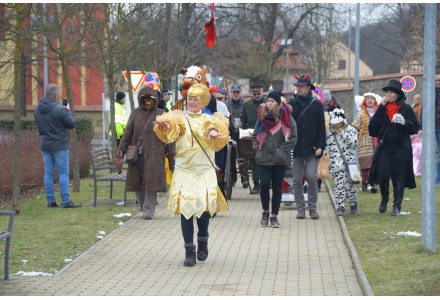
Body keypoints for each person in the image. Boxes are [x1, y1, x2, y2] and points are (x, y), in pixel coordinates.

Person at [153, 83, 230, 267]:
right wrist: (165, 126)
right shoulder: (180, 119)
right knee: (186, 212)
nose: (192, 102)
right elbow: (172, 132)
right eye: (190, 99)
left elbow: (216, 131)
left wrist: (213, 132)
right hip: (184, 172)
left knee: (203, 211)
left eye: (196, 99)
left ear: (203, 101)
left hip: (204, 172)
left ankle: (203, 238)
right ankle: (189, 250)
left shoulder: (209, 119)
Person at [117, 86, 175, 220]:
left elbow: (169, 136)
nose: (148, 102)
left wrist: (171, 155)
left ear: (155, 100)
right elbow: (127, 133)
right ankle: (143, 208)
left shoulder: (161, 114)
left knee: (152, 182)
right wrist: (121, 150)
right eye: (145, 99)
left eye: (151, 99)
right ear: (141, 100)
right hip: (137, 153)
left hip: (155, 153)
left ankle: (149, 210)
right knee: (138, 181)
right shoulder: (135, 113)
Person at [368, 79, 419, 216]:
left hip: (401, 148)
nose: (388, 94)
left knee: (398, 177)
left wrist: (404, 122)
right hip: (385, 147)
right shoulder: (382, 108)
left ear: (398, 94)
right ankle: (384, 199)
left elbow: (415, 127)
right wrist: (380, 108)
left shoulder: (406, 108)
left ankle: (397, 206)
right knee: (383, 176)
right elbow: (372, 130)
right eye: (387, 92)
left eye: (391, 92)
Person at [252, 91, 297, 227]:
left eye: (272, 101)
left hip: (279, 159)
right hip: (263, 158)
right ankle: (265, 211)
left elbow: (293, 138)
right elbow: (255, 136)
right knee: (264, 185)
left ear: (278, 103)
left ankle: (274, 216)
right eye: (268, 101)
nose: (269, 103)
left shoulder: (287, 117)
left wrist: (281, 150)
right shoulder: (262, 117)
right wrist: (257, 148)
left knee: (277, 188)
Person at [34, 83, 81, 208]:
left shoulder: (37, 109)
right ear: (55, 94)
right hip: (60, 145)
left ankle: (51, 201)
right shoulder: (60, 109)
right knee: (63, 173)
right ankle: (65, 201)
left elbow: (39, 126)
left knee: (48, 173)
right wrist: (68, 111)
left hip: (45, 145)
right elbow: (71, 124)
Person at [288, 73, 326, 220]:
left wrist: (320, 146)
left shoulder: (316, 104)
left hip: (312, 147)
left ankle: (312, 208)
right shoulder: (292, 104)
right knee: (297, 180)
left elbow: (321, 128)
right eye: (298, 86)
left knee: (311, 176)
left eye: (302, 86)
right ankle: (300, 209)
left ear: (309, 88)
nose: (299, 89)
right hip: (296, 147)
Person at [326, 109, 359, 215]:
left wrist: (343, 134)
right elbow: (327, 148)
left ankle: (353, 203)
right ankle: (340, 207)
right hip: (335, 165)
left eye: (338, 122)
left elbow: (354, 144)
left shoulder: (351, 130)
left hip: (350, 164)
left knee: (350, 186)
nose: (337, 125)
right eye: (335, 123)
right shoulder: (329, 133)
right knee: (338, 186)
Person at [240, 83, 266, 194]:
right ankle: (256, 183)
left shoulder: (268, 103)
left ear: (262, 91)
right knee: (254, 160)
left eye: (258, 93)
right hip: (251, 136)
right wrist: (244, 128)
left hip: (266, 135)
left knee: (264, 160)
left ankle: (265, 183)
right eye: (254, 94)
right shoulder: (247, 105)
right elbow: (243, 119)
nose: (256, 95)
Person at [352, 93, 380, 192]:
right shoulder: (360, 114)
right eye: (367, 99)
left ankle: (375, 183)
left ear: (375, 101)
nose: (370, 100)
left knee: (377, 163)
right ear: (364, 101)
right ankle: (365, 183)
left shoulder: (379, 113)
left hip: (378, 142)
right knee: (365, 164)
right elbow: (354, 127)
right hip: (364, 142)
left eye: (372, 99)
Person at [227, 84, 248, 188]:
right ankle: (233, 178)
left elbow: (246, 117)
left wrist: (242, 124)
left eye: (237, 92)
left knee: (243, 155)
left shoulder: (245, 104)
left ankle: (245, 179)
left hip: (241, 132)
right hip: (229, 132)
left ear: (240, 93)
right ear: (231, 93)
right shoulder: (227, 103)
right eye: (234, 92)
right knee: (231, 156)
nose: (236, 94)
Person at [411, 94, 422, 176]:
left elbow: (419, 119)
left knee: (418, 152)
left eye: (416, 99)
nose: (414, 100)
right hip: (414, 130)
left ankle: (417, 170)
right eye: (414, 99)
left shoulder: (420, 107)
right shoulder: (413, 107)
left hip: (418, 131)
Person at [435, 73, 440, 184]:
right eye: (435, 80)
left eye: (439, 80)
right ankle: (433, 178)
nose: (437, 83)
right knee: (429, 154)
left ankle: (438, 178)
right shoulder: (430, 93)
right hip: (431, 128)